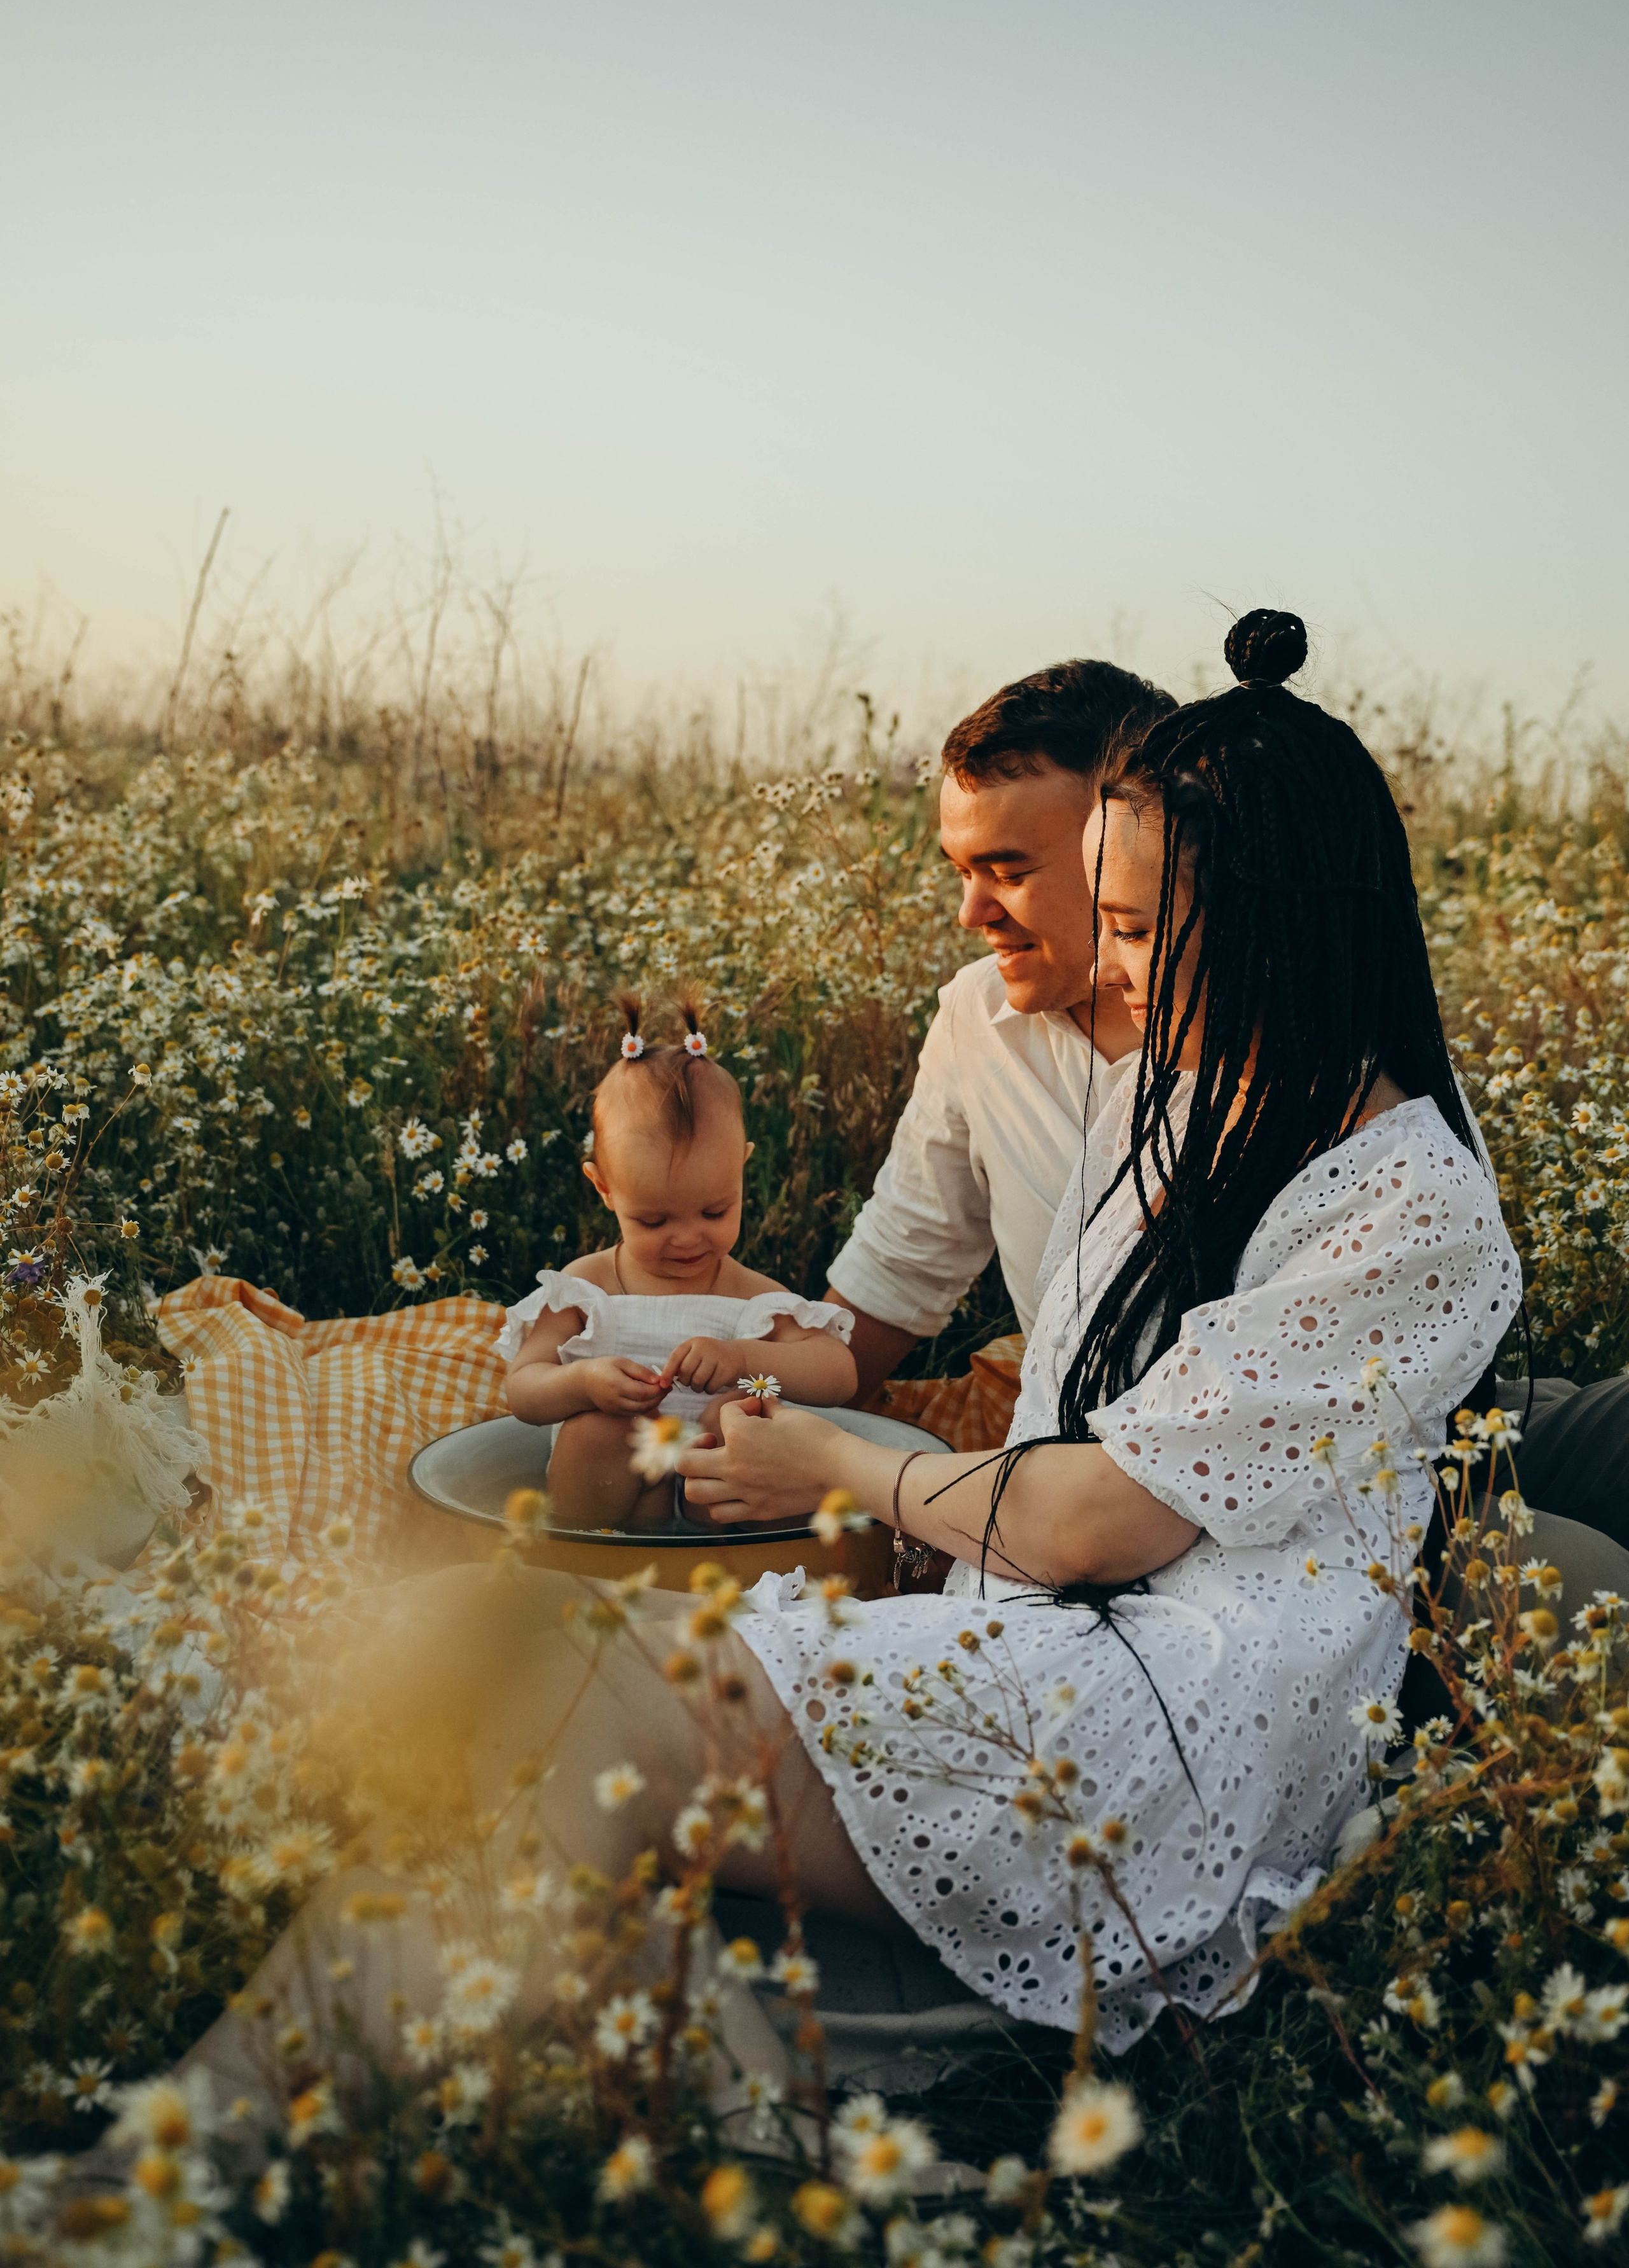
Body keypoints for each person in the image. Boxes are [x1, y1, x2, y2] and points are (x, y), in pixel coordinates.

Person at [164, 609, 1518, 2105]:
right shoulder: (1198, 1107)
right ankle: (391, 2064)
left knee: (558, 1695)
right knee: (489, 1649)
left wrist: (829, 1456)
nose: (1110, 980)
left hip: (1179, 1724)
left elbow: (1084, 1519)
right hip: (1064, 1634)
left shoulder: (1405, 1201)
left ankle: (197, 2147)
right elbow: (940, 1350)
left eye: (1127, 928)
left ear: (1272, 925)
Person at [825, 658, 1173, 1414]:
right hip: (1053, 1452)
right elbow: (901, 1266)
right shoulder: (975, 1016)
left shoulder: (1263, 1043)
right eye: (959, 872)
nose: (971, 912)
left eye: (1008, 873)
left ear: (1133, 849)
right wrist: (744, 1400)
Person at [500, 998, 857, 1526]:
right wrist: (583, 1383)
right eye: (654, 1221)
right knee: (598, 1428)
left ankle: (721, 1554)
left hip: (711, 1506)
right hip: (610, 1501)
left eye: (716, 1211)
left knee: (738, 1417)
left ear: (742, 1170)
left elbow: (838, 1374)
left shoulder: (751, 1298)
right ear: (604, 1189)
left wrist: (743, 1359)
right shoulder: (586, 1289)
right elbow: (523, 1390)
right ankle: (584, 1564)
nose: (687, 1239)